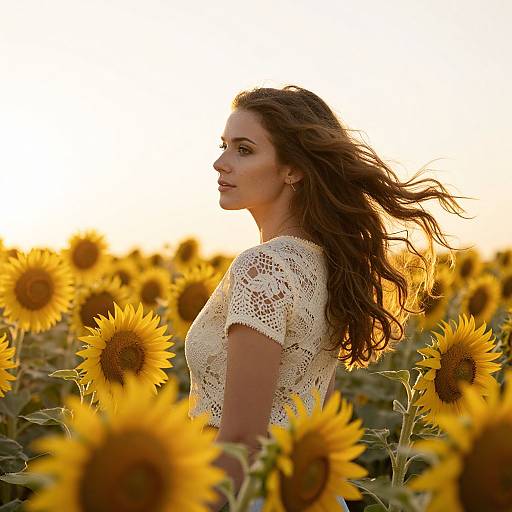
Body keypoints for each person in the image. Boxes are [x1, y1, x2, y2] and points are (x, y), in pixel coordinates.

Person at [184, 85, 467, 512]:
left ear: (292, 169)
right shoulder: (326, 268)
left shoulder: (262, 269)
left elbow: (242, 444)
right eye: (223, 146)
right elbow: (313, 410)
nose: (220, 162)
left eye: (244, 150)